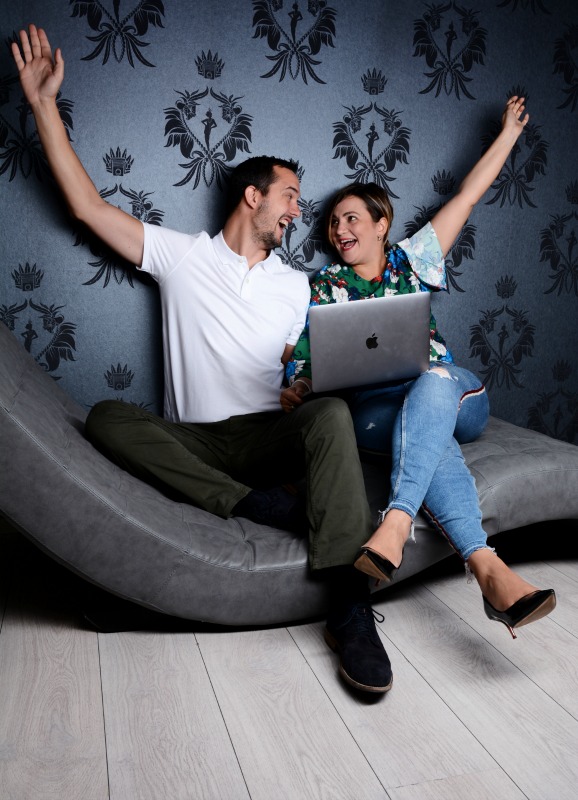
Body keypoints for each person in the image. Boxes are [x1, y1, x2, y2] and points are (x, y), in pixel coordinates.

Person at [12, 24, 393, 694]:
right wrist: (44, 104)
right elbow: (88, 207)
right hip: (197, 443)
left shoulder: (298, 285)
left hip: (268, 435)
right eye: (290, 196)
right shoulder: (182, 256)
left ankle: (350, 609)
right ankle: (252, 505)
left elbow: (308, 364)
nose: (299, 211)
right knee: (105, 417)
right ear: (253, 195)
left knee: (332, 412)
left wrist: (307, 384)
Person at [282, 97, 556, 640]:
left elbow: (467, 196)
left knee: (431, 383)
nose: (339, 229)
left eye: (351, 218)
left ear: (381, 224)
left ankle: (396, 519)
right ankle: (489, 570)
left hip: (452, 395)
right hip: (378, 415)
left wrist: (508, 134)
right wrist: (299, 387)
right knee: (427, 438)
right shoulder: (324, 287)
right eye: (333, 223)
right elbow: (308, 363)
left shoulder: (412, 259)